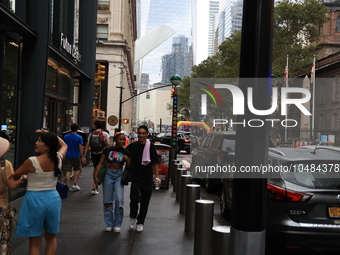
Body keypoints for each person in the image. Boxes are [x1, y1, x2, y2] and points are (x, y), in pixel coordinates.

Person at [13, 129, 67, 255]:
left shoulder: (32, 161)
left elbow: (15, 175)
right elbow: (64, 145)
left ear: (47, 147)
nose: (36, 143)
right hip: (53, 199)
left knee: (35, 241)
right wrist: (51, 135)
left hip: (34, 199)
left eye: (40, 141)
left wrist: (24, 177)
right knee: (52, 237)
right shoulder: (58, 159)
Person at [93, 132, 130, 233]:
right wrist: (95, 176)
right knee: (107, 200)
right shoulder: (108, 150)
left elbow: (129, 167)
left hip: (119, 175)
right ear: (115, 140)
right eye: (120, 139)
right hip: (108, 175)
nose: (122, 141)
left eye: (123, 139)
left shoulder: (126, 151)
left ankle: (118, 223)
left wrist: (127, 161)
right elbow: (100, 163)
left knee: (119, 199)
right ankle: (109, 223)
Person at [126, 125, 160, 233]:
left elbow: (155, 163)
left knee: (145, 202)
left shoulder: (151, 146)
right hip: (135, 176)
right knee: (134, 199)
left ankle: (140, 222)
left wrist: (157, 177)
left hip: (147, 178)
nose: (141, 135)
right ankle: (132, 217)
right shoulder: (132, 146)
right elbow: (125, 155)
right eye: (139, 133)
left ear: (146, 134)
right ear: (137, 133)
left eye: (143, 133)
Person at [0, 137, 25, 255]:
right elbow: (12, 186)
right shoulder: (5, 165)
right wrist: (22, 179)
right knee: (3, 240)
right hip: (2, 206)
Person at [83, 120, 110, 195]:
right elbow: (108, 143)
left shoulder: (91, 134)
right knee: (101, 169)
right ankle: (94, 186)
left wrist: (84, 156)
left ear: (95, 126)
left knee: (96, 168)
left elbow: (87, 145)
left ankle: (95, 184)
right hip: (102, 154)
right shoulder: (105, 134)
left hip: (94, 153)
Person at [62, 123, 84, 191]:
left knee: (67, 170)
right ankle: (75, 183)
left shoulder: (66, 136)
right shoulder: (79, 137)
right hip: (76, 156)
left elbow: (63, 145)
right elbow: (80, 148)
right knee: (77, 169)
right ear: (77, 129)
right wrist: (82, 156)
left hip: (67, 155)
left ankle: (68, 185)